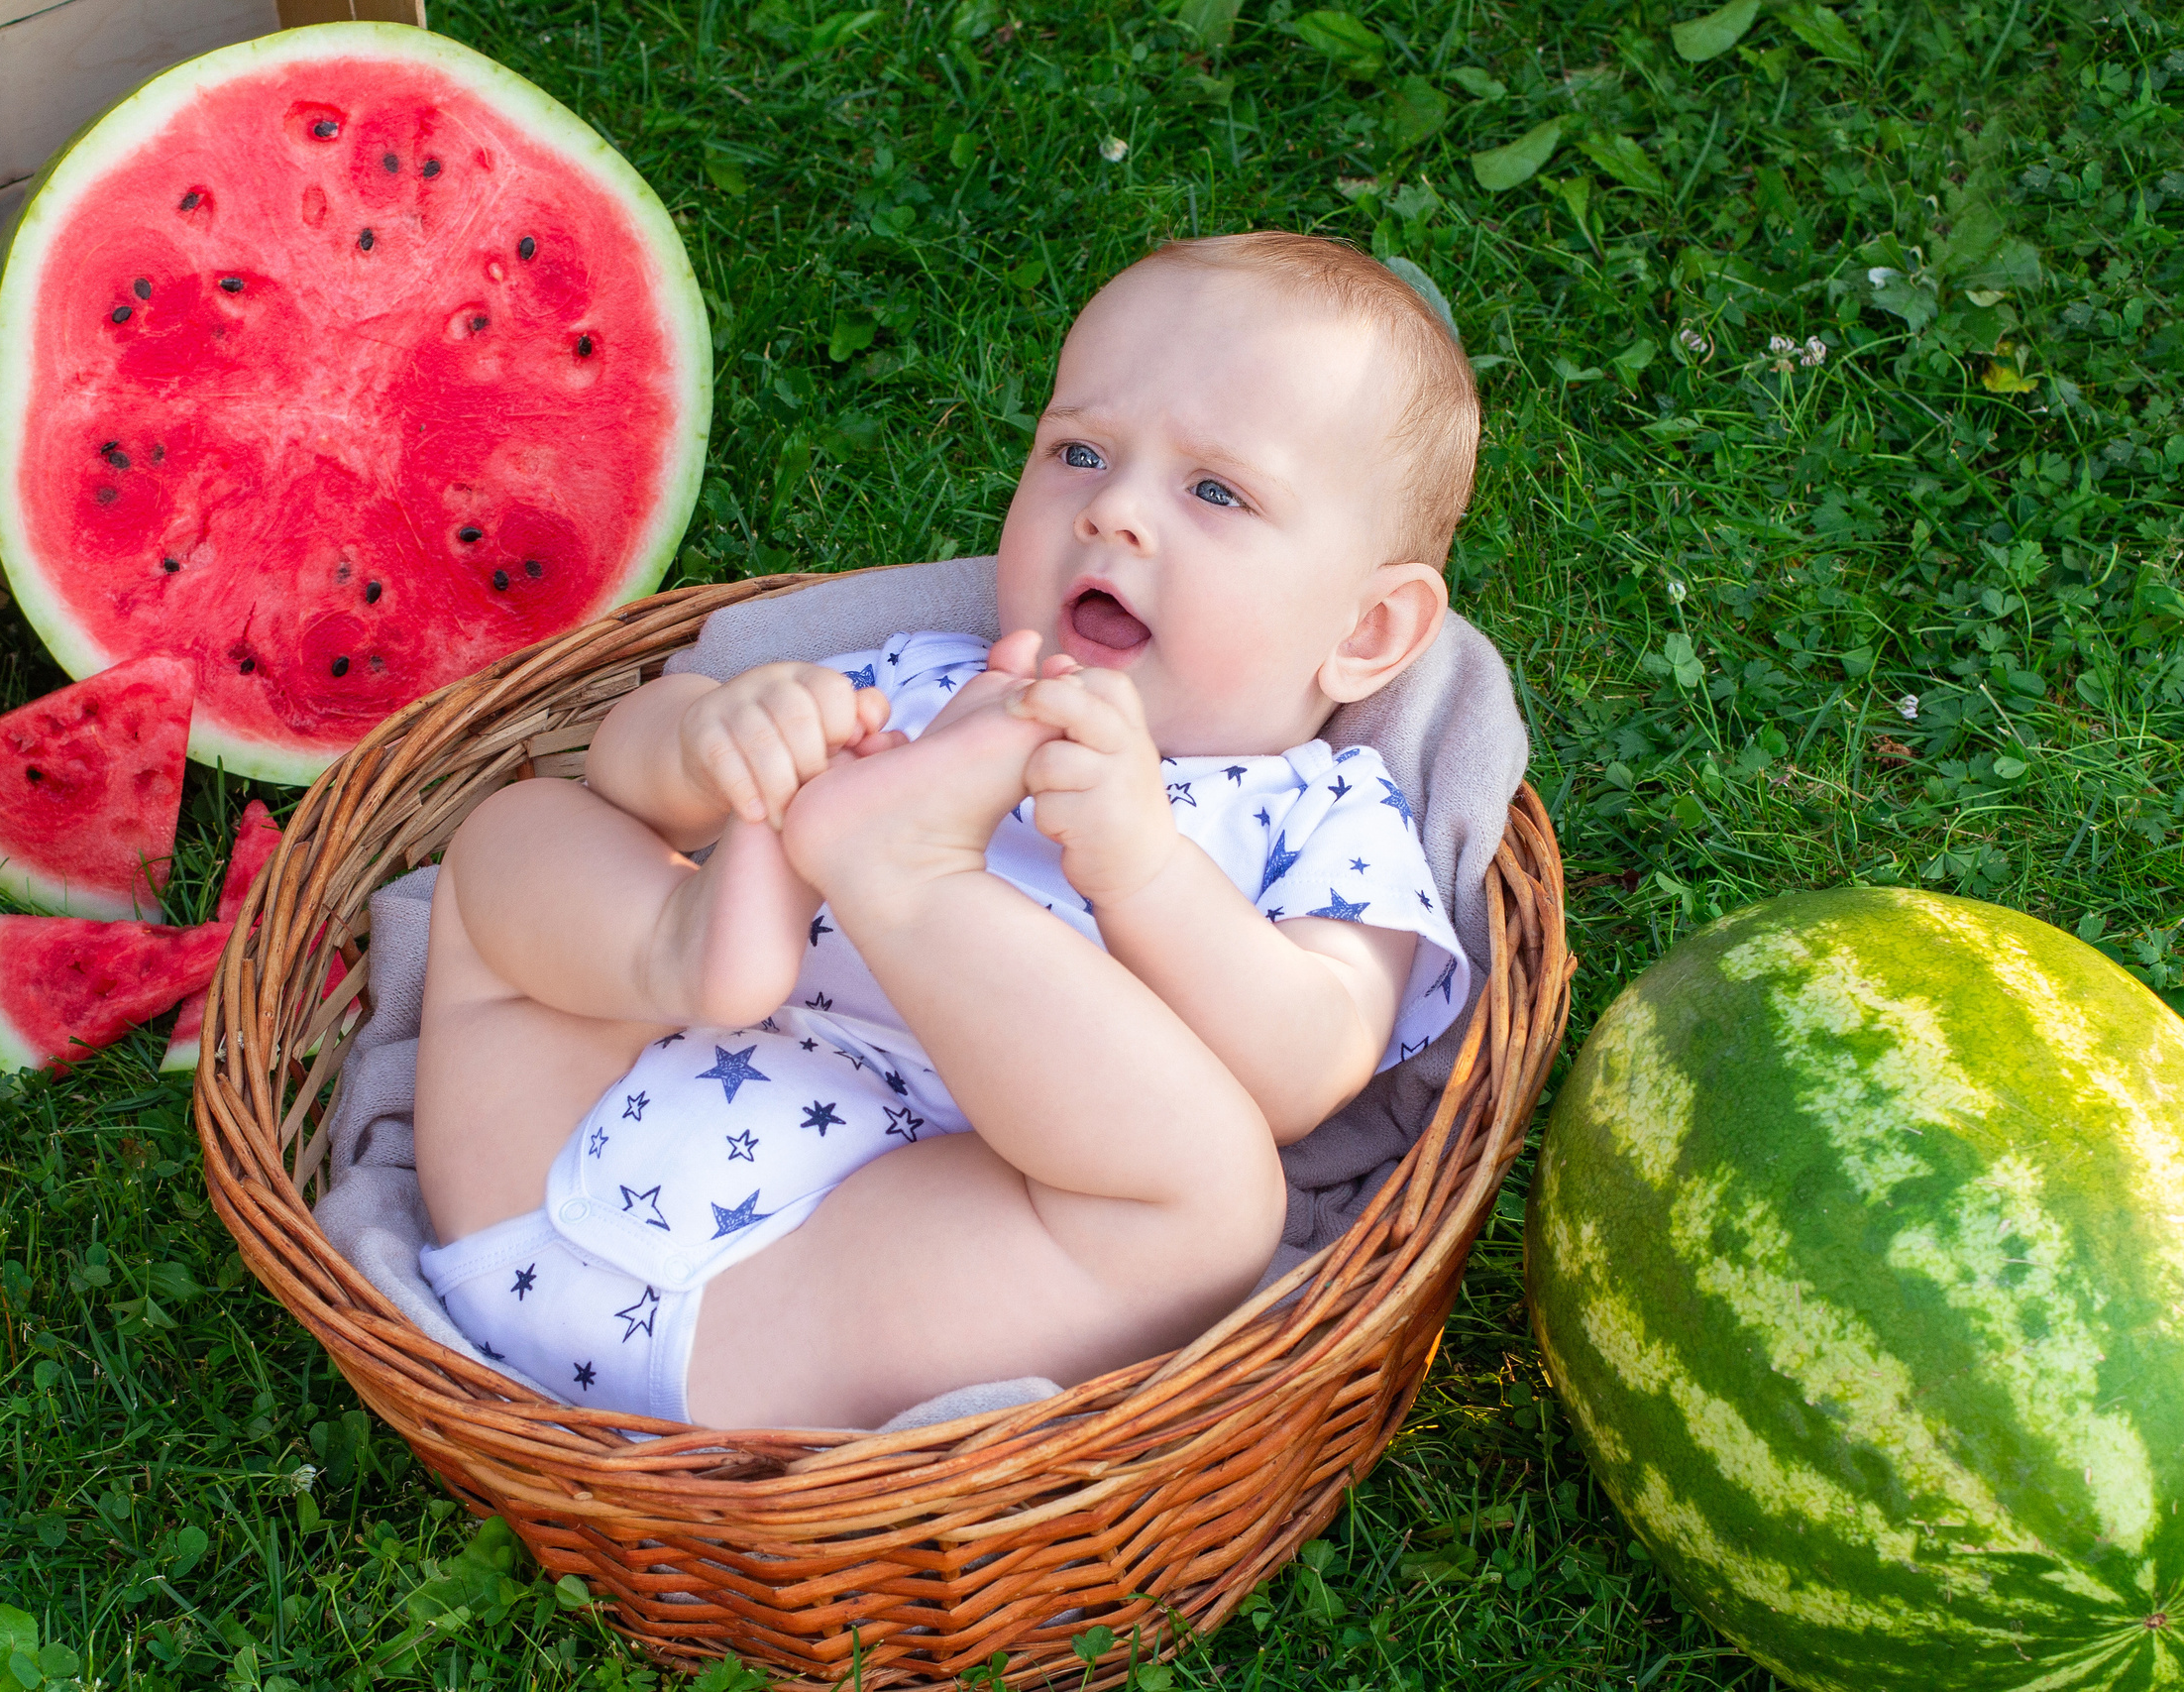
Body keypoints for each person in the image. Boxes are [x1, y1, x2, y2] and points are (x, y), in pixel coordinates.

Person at [412, 231, 1481, 1430]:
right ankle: (683, 939)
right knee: (514, 833)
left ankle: (909, 884)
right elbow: (629, 775)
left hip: (815, 1296)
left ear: (1372, 632)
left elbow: (1303, 1064)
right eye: (1079, 451)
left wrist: (1142, 868)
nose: (1113, 511)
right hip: (538, 1156)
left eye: (1215, 490)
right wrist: (720, 730)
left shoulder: (1320, 811)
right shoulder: (930, 672)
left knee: (1216, 1199)